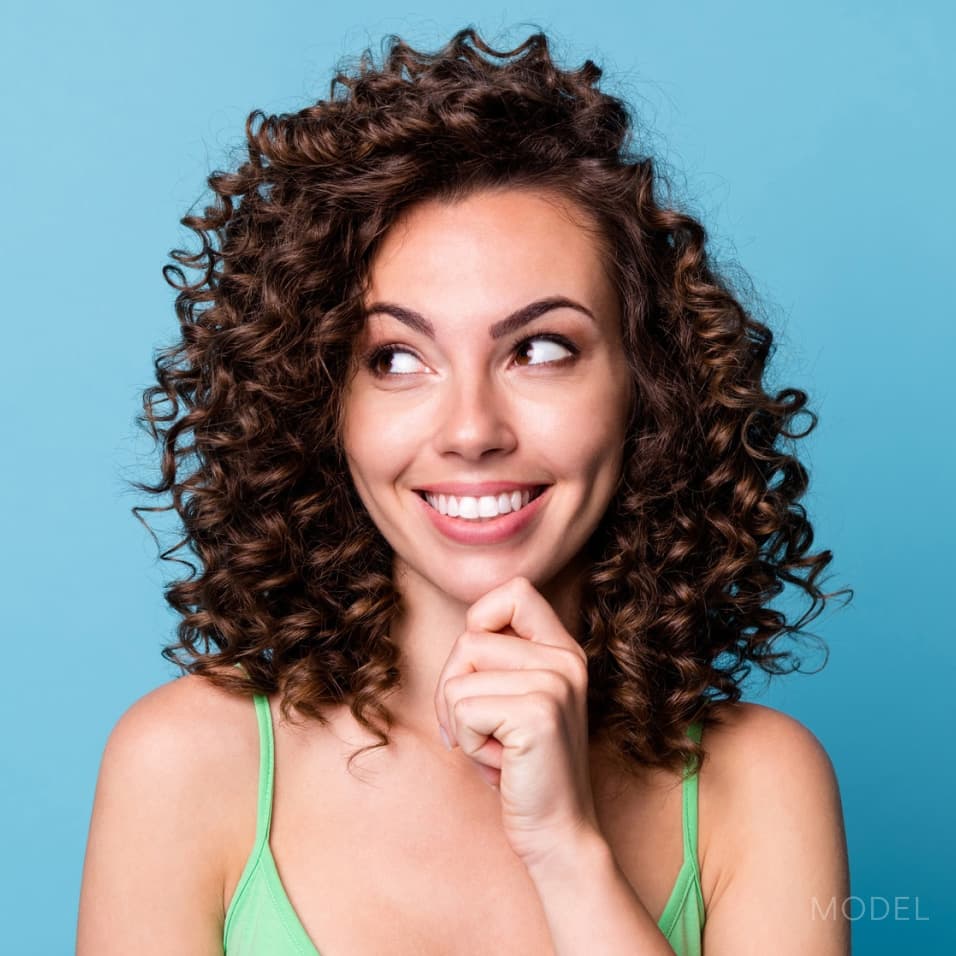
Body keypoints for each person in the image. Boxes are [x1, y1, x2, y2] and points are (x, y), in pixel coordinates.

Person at [77, 26, 852, 956]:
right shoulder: (184, 767)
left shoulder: (759, 786)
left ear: (650, 386)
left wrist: (567, 852)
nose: (471, 429)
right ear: (324, 403)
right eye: (397, 358)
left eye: (540, 349)